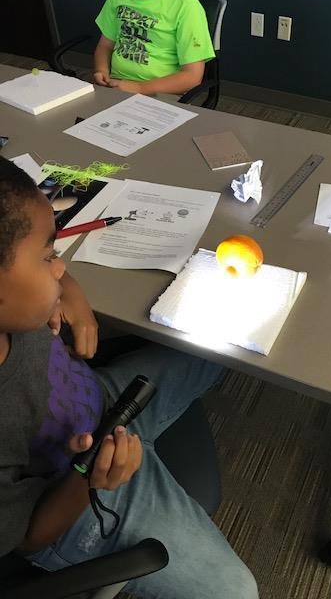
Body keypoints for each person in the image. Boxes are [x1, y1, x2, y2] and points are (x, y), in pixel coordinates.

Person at [0, 155, 258, 599]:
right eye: (48, 257)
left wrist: (69, 291)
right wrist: (89, 477)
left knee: (231, 335)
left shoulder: (16, 308)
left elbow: (34, 266)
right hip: (80, 489)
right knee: (235, 590)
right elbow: (29, 537)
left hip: (103, 401)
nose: (59, 267)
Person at [94, 0, 215, 95]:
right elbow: (105, 45)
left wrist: (138, 88)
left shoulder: (186, 5)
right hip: (116, 85)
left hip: (160, 93)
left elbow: (192, 77)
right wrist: (101, 70)